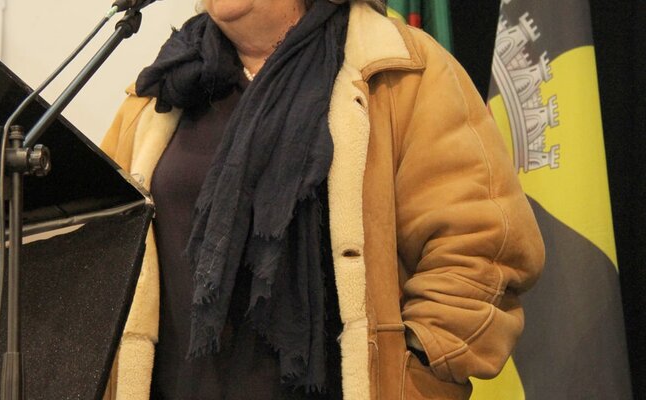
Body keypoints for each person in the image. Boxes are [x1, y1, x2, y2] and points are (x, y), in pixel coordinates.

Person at [100, 0, 545, 399]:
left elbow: (480, 246)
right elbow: (100, 248)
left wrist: (417, 371)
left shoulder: (403, 72)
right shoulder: (162, 90)